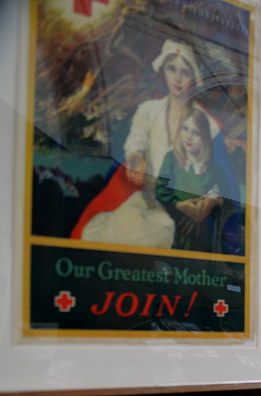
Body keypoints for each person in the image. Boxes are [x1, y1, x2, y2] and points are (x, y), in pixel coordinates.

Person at [70, 39, 224, 249]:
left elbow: (219, 174)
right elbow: (137, 140)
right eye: (172, 69)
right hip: (147, 194)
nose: (177, 78)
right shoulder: (149, 109)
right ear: (163, 71)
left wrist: (207, 203)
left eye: (185, 72)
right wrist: (136, 156)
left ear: (194, 77)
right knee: (106, 233)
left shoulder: (208, 123)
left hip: (184, 201)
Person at [155, 104, 233, 252]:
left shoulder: (215, 170)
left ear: (204, 137)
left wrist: (213, 201)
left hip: (206, 236)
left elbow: (229, 203)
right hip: (176, 224)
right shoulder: (171, 159)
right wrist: (180, 206)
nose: (189, 136)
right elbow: (160, 190)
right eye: (185, 129)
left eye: (196, 132)